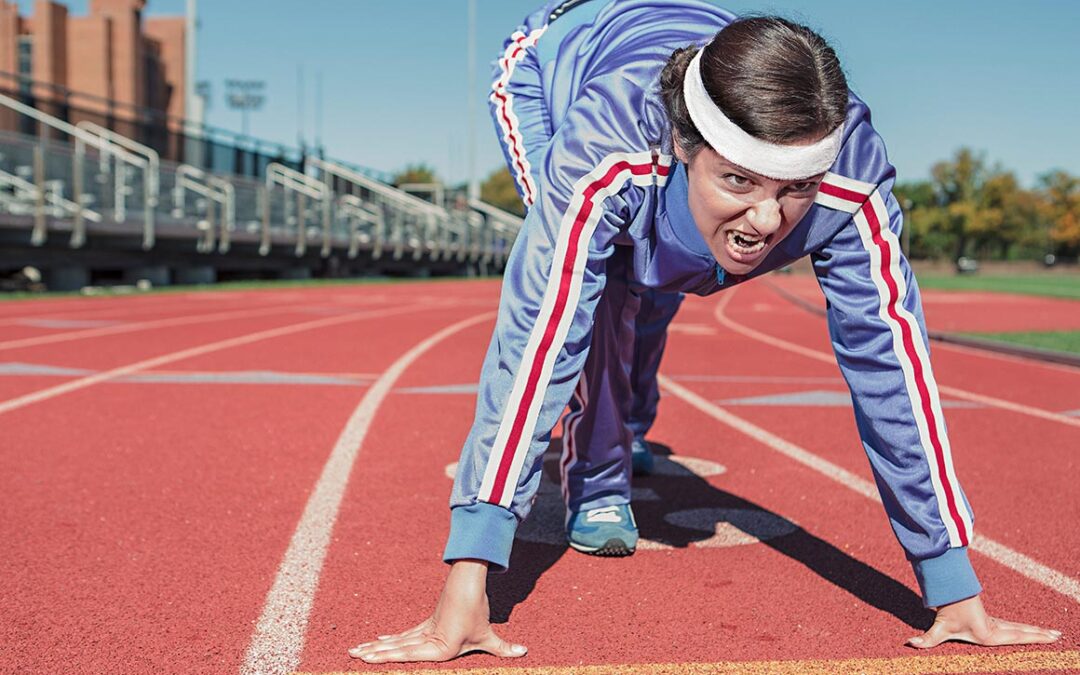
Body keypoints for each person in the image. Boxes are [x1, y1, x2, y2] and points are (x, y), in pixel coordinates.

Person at [351, 0, 1061, 663]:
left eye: (794, 189)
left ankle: (629, 419)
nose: (765, 219)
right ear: (689, 146)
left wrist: (953, 584)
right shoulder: (608, 147)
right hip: (551, 66)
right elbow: (538, 336)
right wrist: (468, 578)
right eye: (740, 182)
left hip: (682, 83)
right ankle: (598, 477)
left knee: (664, 278)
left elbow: (893, 369)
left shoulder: (853, 178)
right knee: (600, 291)